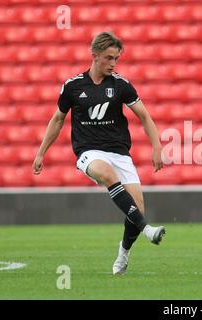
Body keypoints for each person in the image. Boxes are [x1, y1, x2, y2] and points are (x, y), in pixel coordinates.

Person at [32, 32, 166, 275]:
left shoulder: (121, 85)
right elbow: (58, 119)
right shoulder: (73, 86)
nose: (113, 64)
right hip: (89, 151)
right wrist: (41, 153)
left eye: (116, 59)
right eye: (109, 58)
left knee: (137, 208)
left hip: (119, 152)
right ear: (94, 56)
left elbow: (144, 116)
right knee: (106, 174)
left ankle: (123, 253)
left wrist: (157, 146)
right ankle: (147, 230)